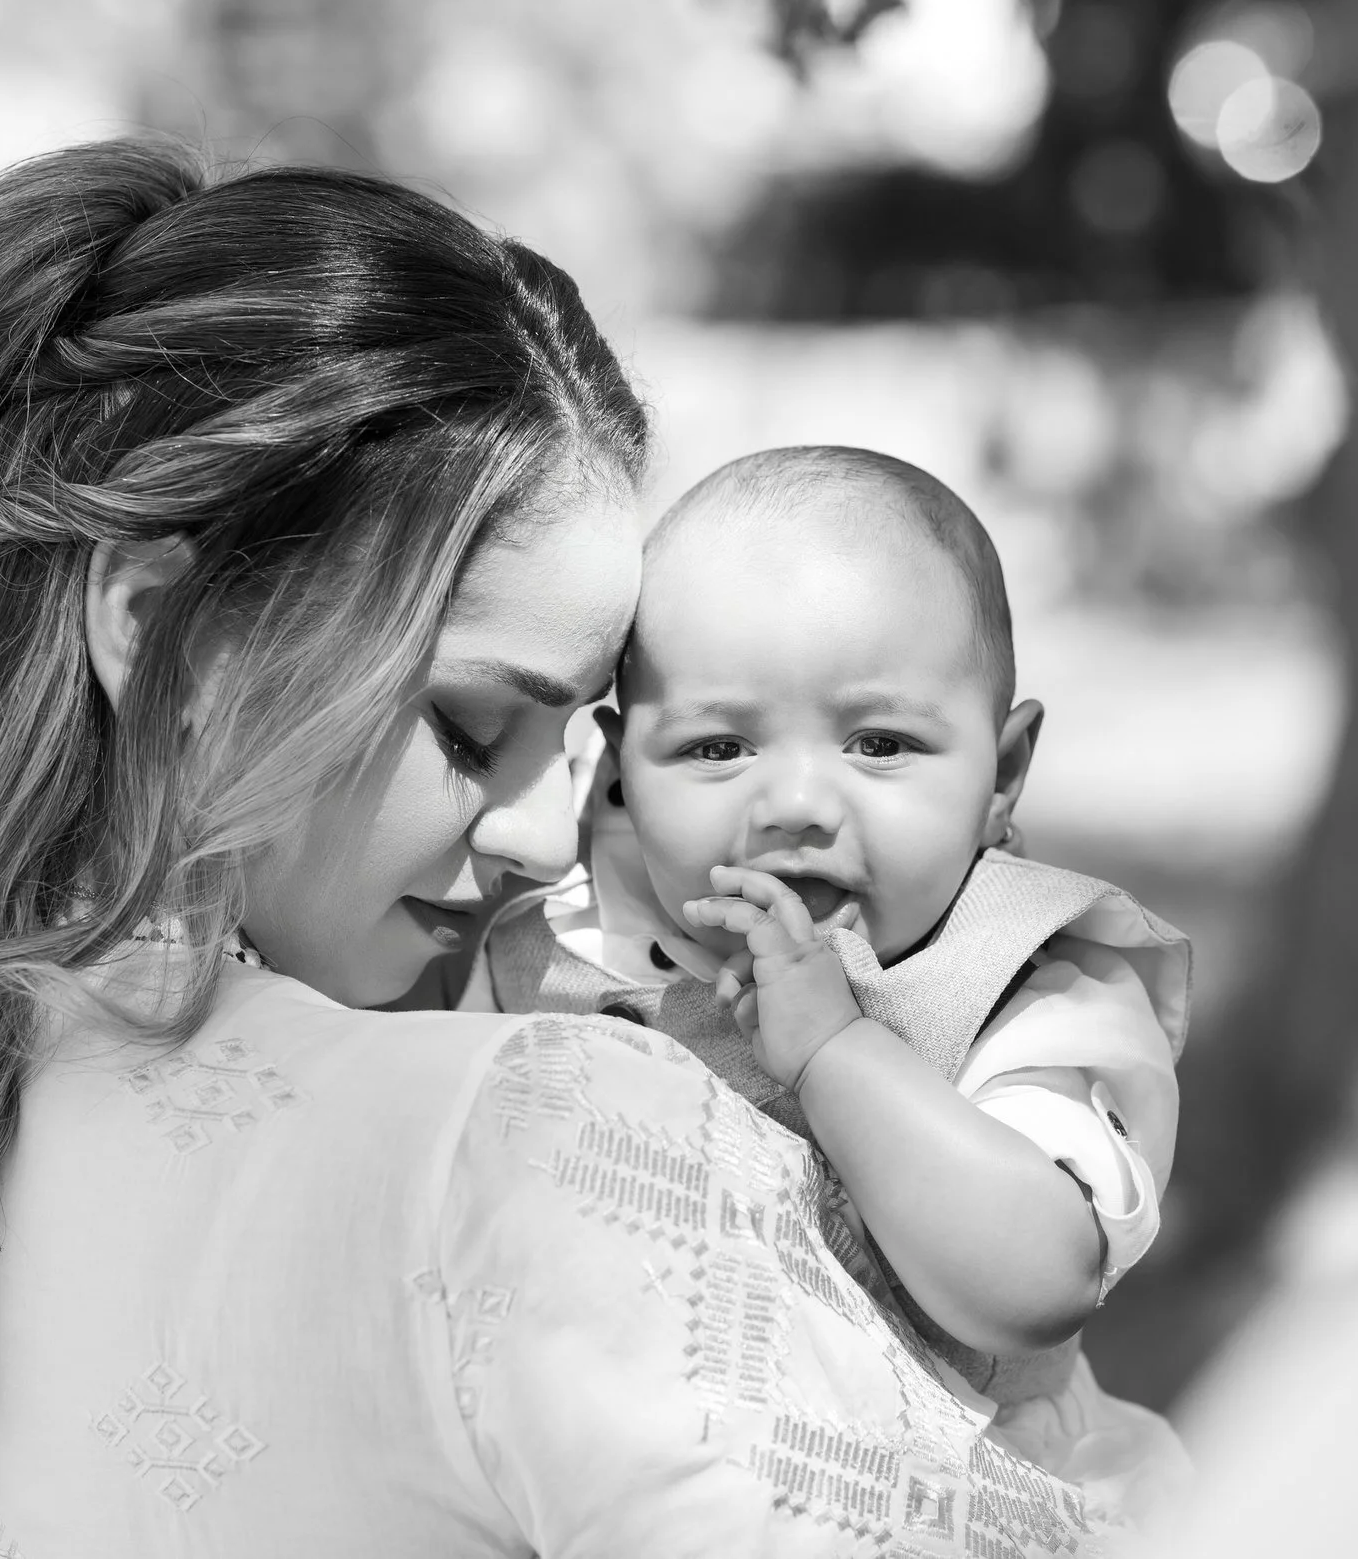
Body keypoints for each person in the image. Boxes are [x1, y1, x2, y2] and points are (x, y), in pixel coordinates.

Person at [0, 141, 1133, 1555]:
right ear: (163, 632)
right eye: (466, 726)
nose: (546, 829)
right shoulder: (536, 1137)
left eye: (582, 744)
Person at [466, 447, 1193, 1513]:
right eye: (717, 746)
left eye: (880, 741)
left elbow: (1038, 1282)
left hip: (955, 1502)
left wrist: (836, 1053)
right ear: (620, 770)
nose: (796, 800)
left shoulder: (1026, 986)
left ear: (1004, 774)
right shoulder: (548, 961)